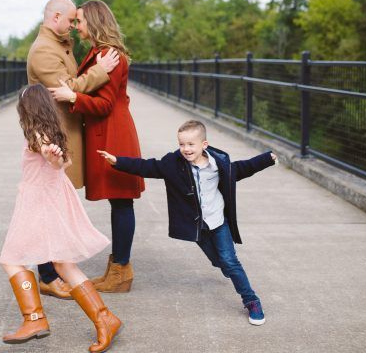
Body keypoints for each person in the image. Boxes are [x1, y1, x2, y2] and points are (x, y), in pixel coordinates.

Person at [97, 119, 277, 325]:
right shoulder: (173, 165)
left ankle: (251, 300)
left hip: (218, 222)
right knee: (219, 262)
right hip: (197, 227)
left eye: (191, 144)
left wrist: (267, 159)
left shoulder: (218, 163)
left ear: (204, 145)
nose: (186, 149)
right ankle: (226, 267)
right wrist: (118, 161)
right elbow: (148, 166)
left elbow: (243, 168)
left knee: (230, 261)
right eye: (182, 144)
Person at [0, 84, 123, 352]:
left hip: (38, 202)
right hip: (53, 200)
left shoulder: (38, 133)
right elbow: (63, 163)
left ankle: (34, 320)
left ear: (26, 109)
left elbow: (53, 159)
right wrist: (55, 158)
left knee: (12, 259)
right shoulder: (53, 130)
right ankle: (105, 318)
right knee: (63, 264)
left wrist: (52, 157)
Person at [26, 0, 120, 299]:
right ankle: (48, 276)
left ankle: (54, 269)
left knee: (55, 206)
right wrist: (101, 70)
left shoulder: (57, 45)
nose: (73, 26)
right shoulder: (44, 50)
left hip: (62, 133)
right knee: (49, 208)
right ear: (55, 17)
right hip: (53, 137)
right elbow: (67, 88)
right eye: (70, 20)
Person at [49, 0, 144, 293]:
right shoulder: (99, 53)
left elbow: (104, 104)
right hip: (108, 132)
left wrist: (72, 97)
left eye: (80, 21)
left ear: (94, 21)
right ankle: (117, 269)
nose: (76, 27)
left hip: (114, 135)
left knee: (121, 201)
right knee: (119, 201)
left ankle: (121, 272)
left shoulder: (108, 55)